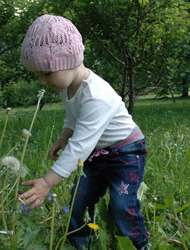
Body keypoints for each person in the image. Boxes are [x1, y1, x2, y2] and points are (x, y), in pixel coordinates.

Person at [18, 14, 149, 249]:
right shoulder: (68, 87)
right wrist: (63, 135)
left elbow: (81, 146)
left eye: (46, 73)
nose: (41, 81)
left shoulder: (97, 96)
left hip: (126, 153)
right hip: (97, 153)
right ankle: (79, 242)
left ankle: (137, 245)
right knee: (78, 201)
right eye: (37, 75)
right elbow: (73, 115)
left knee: (121, 206)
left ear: (69, 61)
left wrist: (48, 182)